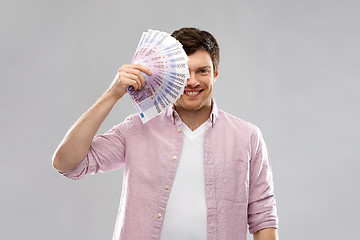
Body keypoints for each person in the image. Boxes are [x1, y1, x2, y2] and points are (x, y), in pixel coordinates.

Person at [53, 27, 279, 240]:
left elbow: (263, 216)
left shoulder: (247, 137)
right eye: (183, 72)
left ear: (215, 74)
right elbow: (67, 163)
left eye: (202, 71)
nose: (192, 81)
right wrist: (113, 93)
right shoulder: (137, 129)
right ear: (169, 75)